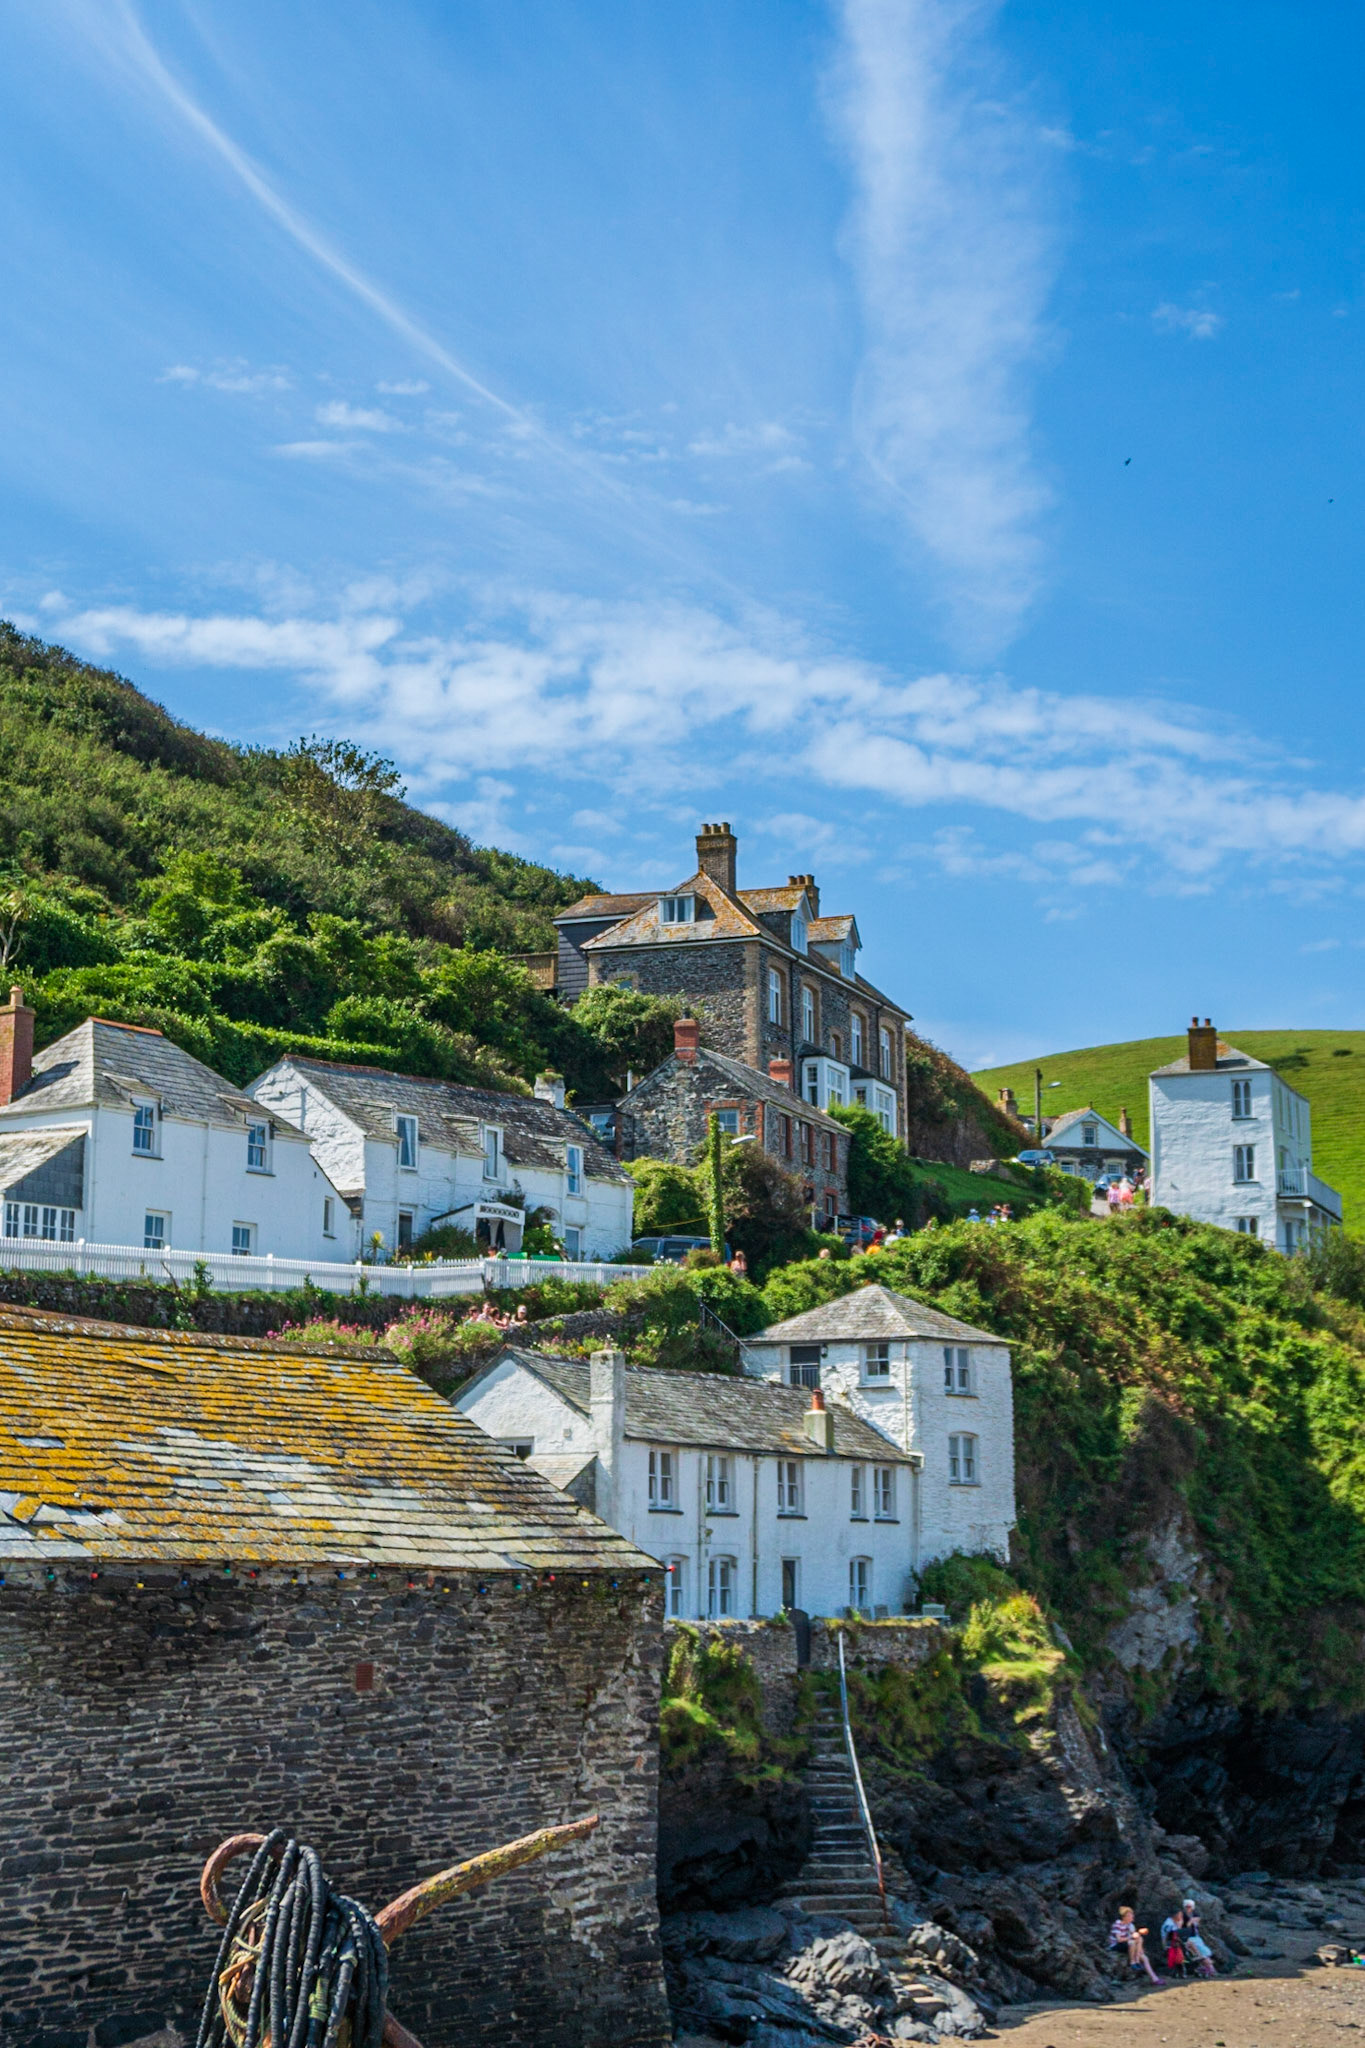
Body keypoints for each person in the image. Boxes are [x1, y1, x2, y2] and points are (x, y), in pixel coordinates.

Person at [1109, 1906, 1162, 1985]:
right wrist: (1132, 1937)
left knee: (1144, 1956)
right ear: (1125, 1917)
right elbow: (1119, 1939)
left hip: (1131, 1946)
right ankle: (1133, 1962)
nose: (1132, 1917)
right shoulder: (1118, 1924)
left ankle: (1154, 1978)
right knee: (1132, 1942)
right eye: (1130, 1915)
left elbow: (1136, 1938)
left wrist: (1140, 1948)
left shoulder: (1130, 1925)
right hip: (1118, 1945)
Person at [1180, 1900, 1216, 1977]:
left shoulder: (1194, 1914)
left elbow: (1197, 1921)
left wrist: (1192, 1921)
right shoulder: (1182, 1916)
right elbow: (1184, 1927)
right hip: (1188, 1938)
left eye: (1189, 1907)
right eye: (1186, 1906)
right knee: (1201, 1953)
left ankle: (1209, 1969)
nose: (1188, 1908)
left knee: (1204, 1952)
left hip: (1195, 1937)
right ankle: (1210, 1969)